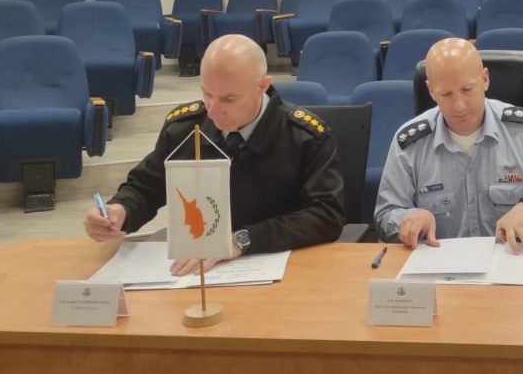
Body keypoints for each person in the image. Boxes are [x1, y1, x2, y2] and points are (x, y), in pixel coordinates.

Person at [84, 34, 345, 274]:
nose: (212, 110)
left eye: (228, 99)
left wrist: (242, 240)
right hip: (197, 266)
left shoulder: (304, 137)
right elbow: (146, 188)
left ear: (262, 86)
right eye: (207, 94)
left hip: (280, 266)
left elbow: (326, 215)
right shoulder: (184, 129)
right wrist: (120, 211)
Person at [374, 38, 523, 256]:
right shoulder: (409, 143)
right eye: (446, 94)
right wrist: (407, 220)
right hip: (439, 265)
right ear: (431, 91)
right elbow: (385, 214)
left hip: (514, 260)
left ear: (484, 79)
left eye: (467, 89)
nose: (459, 106)